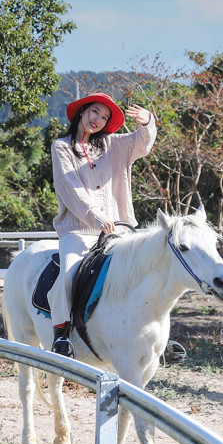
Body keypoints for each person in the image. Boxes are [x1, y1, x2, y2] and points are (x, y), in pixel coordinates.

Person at [49, 92, 156, 356]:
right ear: (83, 111)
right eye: (95, 112)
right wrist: (97, 218)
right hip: (78, 230)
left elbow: (141, 144)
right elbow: (69, 187)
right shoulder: (61, 147)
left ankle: (153, 338)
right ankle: (61, 335)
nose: (98, 119)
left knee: (147, 272)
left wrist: (147, 122)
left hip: (119, 231)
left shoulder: (113, 145)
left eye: (104, 116)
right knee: (68, 276)